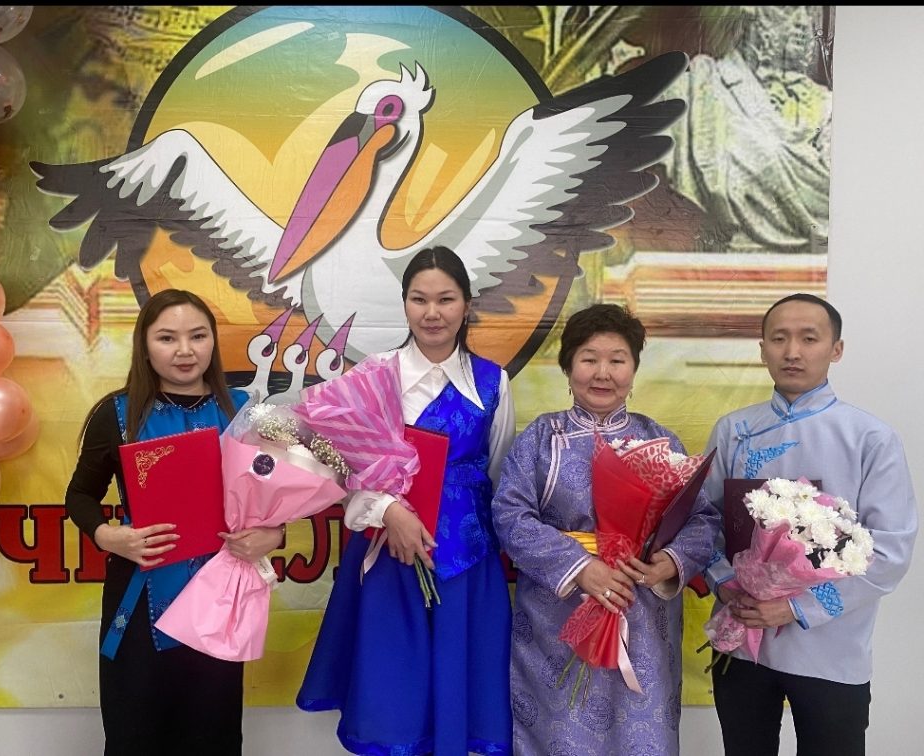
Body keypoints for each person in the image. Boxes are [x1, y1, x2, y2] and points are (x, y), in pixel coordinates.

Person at [296, 246, 516, 755]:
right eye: (419, 299)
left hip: (465, 564)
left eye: (446, 299)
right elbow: (342, 465)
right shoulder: (376, 375)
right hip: (389, 557)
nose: (432, 312)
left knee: (458, 695)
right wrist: (387, 510)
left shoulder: (493, 382)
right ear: (404, 303)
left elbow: (498, 474)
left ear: (466, 304)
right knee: (395, 700)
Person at [491, 302, 719, 756]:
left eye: (617, 360)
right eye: (589, 358)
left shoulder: (660, 441)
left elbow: (703, 519)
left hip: (641, 613)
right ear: (568, 366)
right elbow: (509, 514)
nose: (603, 373)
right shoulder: (541, 438)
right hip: (559, 617)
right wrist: (581, 567)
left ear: (633, 369)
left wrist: (667, 563)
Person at [65, 288, 283, 754]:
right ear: (145, 346)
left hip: (221, 599)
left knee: (212, 734)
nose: (185, 350)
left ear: (213, 342)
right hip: (138, 598)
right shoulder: (118, 413)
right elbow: (79, 496)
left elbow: (274, 501)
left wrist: (273, 534)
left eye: (197, 336)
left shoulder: (244, 412)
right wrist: (109, 536)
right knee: (135, 735)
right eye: (167, 338)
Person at [702, 293, 918, 755]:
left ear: (836, 349)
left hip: (830, 648)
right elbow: (705, 524)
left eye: (809, 339)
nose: (792, 352)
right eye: (779, 338)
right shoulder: (734, 430)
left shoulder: (870, 438)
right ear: (763, 349)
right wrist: (726, 585)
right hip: (742, 637)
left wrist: (797, 608)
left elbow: (889, 551)